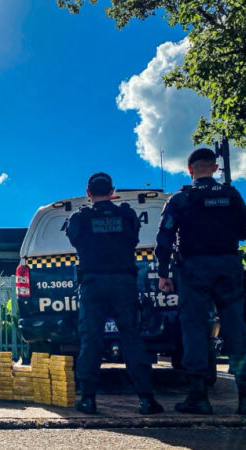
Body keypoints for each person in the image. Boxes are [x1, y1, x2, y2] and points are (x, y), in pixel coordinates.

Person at [155, 148, 246, 415]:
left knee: (194, 328)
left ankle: (198, 396)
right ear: (215, 169)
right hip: (228, 266)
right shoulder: (231, 194)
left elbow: (165, 237)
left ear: (190, 169)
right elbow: (245, 230)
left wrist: (163, 273)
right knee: (235, 328)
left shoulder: (181, 198)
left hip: (193, 269)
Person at [66, 172, 163, 415]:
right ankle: (146, 399)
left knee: (91, 340)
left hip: (92, 283)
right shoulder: (127, 215)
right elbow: (133, 238)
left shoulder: (80, 218)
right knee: (132, 337)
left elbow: (74, 240)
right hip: (123, 282)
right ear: (112, 191)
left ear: (88, 194)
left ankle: (88, 399)